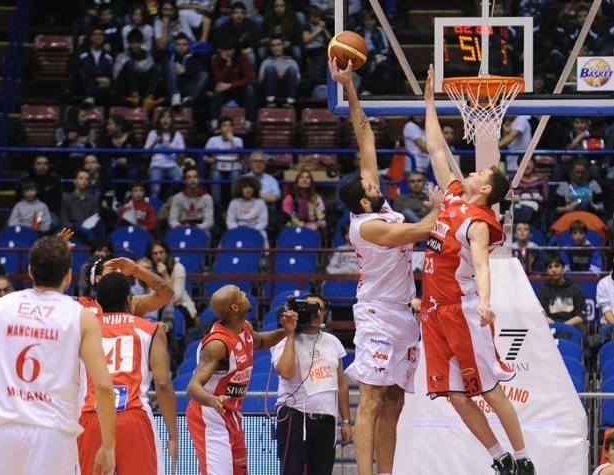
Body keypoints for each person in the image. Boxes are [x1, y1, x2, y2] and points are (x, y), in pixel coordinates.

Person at [422, 64, 535, 474]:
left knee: (488, 389)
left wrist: (486, 301)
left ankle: (523, 458)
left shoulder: (478, 222)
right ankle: (499, 457)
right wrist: (429, 102)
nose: (472, 170)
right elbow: (436, 149)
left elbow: (483, 266)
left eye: (481, 172)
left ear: (485, 189)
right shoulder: (453, 196)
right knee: (455, 395)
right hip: (433, 311)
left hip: (463, 312)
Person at [332, 59, 443, 475]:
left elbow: (365, 136)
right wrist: (441, 205)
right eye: (370, 186)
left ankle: (387, 471)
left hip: (403, 314)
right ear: (363, 201)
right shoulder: (368, 227)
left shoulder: (375, 204)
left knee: (395, 399)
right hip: (377, 314)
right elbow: (422, 230)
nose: (375, 182)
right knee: (373, 398)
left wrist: (349, 87)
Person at [0, 237, 116, 474]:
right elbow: (104, 387)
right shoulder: (81, 317)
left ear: (30, 271)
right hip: (52, 433)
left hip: (0, 431)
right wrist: (108, 445)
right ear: (68, 275)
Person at [186, 284, 294, 475]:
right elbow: (193, 387)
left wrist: (286, 331)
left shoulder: (245, 327)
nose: (245, 294)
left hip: (232, 414)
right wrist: (213, 400)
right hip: (210, 416)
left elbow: (260, 341)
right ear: (235, 308)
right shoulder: (217, 344)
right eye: (241, 294)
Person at [77, 272, 178, 474]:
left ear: (98, 303)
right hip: (133, 415)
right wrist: (173, 435)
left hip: (92, 416)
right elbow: (163, 383)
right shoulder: (150, 330)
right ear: (130, 300)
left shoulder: (83, 330)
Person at [272, 294, 352, 474]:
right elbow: (286, 372)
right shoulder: (284, 341)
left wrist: (346, 421)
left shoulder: (333, 342)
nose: (316, 314)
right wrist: (290, 334)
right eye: (312, 309)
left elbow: (341, 383)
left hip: (327, 419)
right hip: (295, 416)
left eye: (320, 309)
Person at [78, 255, 174, 325]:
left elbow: (167, 294)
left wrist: (137, 270)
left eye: (118, 270)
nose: (118, 273)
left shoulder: (132, 304)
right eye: (113, 270)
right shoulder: (84, 307)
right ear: (98, 279)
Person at [209, 40, 256, 131]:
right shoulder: (216, 59)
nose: (227, 52)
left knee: (250, 89)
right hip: (224, 90)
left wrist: (230, 85)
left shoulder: (242, 57)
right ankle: (214, 121)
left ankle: (249, 121)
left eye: (230, 50)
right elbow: (218, 79)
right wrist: (227, 65)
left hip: (239, 89)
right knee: (217, 90)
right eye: (225, 50)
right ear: (220, 50)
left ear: (234, 50)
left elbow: (249, 78)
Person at [146, 239, 198, 322]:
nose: (159, 256)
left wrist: (165, 275)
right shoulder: (149, 269)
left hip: (180, 307)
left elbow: (176, 297)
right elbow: (149, 295)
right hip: (157, 308)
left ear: (166, 253)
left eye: (161, 252)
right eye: (155, 253)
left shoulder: (178, 268)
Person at [537, 253, 587, 328]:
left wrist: (563, 326)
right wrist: (556, 326)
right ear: (547, 271)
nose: (553, 270)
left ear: (563, 268)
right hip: (550, 327)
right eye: (550, 267)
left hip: (572, 327)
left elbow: (581, 316)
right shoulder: (543, 291)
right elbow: (542, 315)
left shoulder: (576, 289)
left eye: (556, 266)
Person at [144, 108, 185, 198]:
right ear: (159, 120)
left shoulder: (177, 135)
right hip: (156, 165)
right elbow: (145, 155)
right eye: (163, 117)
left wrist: (173, 151)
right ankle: (155, 206)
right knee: (155, 189)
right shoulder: (153, 133)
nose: (165, 119)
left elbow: (182, 156)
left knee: (178, 181)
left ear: (172, 120)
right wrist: (154, 143)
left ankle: (166, 200)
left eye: (168, 117)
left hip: (172, 165)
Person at [204, 116, 244, 203]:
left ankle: (235, 204)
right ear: (220, 129)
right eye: (224, 125)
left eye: (230, 126)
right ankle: (216, 205)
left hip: (234, 168)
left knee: (235, 177)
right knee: (215, 177)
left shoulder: (238, 140)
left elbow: (241, 156)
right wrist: (211, 160)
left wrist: (231, 140)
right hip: (217, 167)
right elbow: (203, 156)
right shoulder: (213, 140)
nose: (227, 128)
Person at [165, 32, 209, 106]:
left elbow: (197, 73)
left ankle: (189, 99)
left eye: (184, 45)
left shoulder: (193, 57)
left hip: (188, 86)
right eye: (178, 44)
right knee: (170, 64)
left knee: (204, 74)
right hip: (172, 86)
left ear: (188, 45)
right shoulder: (168, 56)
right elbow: (164, 73)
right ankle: (175, 96)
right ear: (174, 45)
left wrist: (184, 72)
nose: (181, 47)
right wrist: (173, 69)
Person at [168, 167, 215, 234]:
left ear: (198, 179)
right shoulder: (177, 197)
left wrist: (197, 227)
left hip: (201, 228)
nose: (192, 180)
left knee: (207, 233)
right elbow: (172, 220)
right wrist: (180, 226)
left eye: (195, 177)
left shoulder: (207, 198)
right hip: (182, 227)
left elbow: (209, 221)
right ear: (184, 181)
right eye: (189, 177)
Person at [258, 35, 301, 108]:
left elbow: (298, 80)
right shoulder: (266, 62)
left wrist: (285, 75)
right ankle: (270, 101)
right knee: (270, 69)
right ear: (270, 48)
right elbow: (260, 80)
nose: (276, 48)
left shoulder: (292, 61)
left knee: (292, 70)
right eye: (273, 45)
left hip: (287, 88)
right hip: (270, 88)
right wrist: (275, 75)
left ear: (283, 46)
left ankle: (290, 101)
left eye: (278, 45)